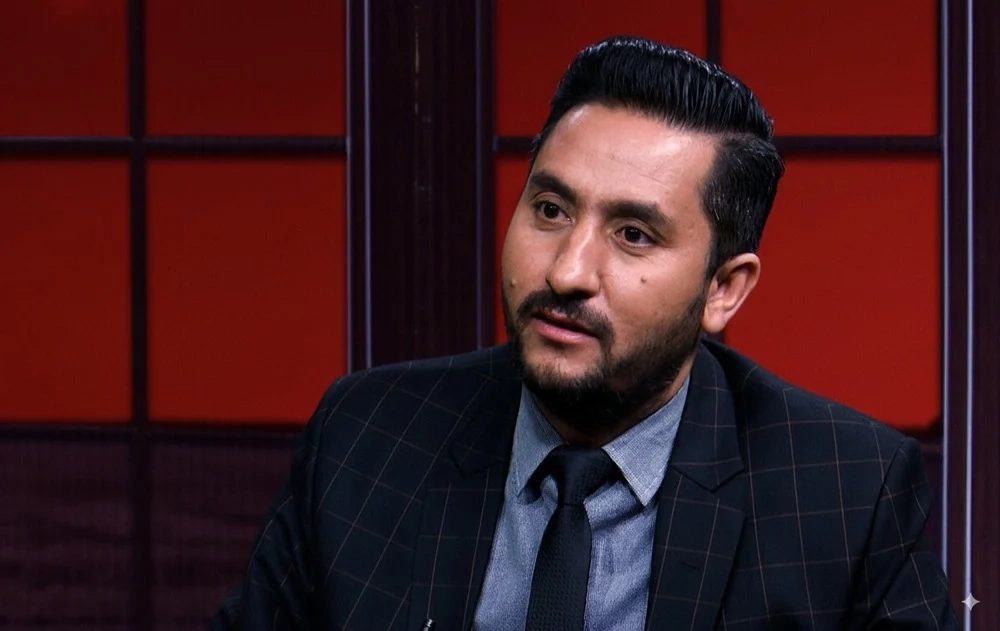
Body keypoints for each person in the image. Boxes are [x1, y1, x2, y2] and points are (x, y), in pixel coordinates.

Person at [212, 36, 957, 630]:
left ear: (723, 289)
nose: (567, 270)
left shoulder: (846, 492)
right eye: (550, 210)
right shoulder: (366, 435)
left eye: (633, 234)